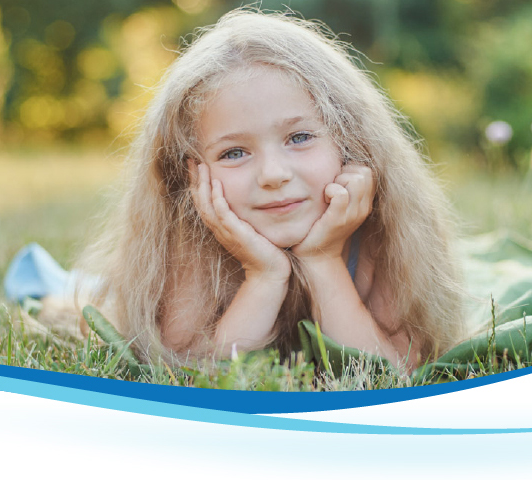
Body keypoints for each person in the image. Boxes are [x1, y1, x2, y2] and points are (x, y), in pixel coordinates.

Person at [70, 8, 468, 371]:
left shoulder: (380, 230)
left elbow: (394, 370)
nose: (273, 175)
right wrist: (264, 275)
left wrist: (323, 259)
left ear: (351, 143)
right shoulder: (194, 236)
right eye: (235, 152)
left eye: (299, 137)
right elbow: (190, 369)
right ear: (192, 174)